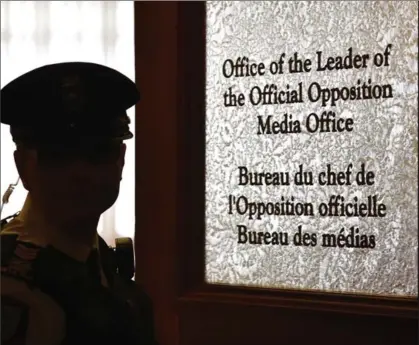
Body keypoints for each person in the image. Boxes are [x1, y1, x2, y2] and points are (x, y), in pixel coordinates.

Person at [0, 62, 158, 345]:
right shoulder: (13, 290)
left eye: (98, 152)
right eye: (58, 155)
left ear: (121, 160)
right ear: (23, 166)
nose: (80, 172)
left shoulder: (96, 260)